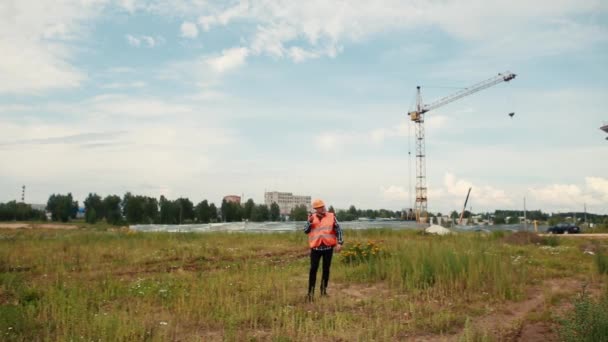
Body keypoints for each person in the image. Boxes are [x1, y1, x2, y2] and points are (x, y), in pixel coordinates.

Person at [304, 199, 343, 300]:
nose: (323, 208)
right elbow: (305, 231)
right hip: (315, 249)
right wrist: (309, 222)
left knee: (326, 270)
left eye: (323, 206)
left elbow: (338, 229)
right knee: (313, 270)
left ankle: (323, 292)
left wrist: (340, 243)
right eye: (320, 207)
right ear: (316, 209)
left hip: (328, 248)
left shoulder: (331, 216)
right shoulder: (311, 218)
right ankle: (310, 294)